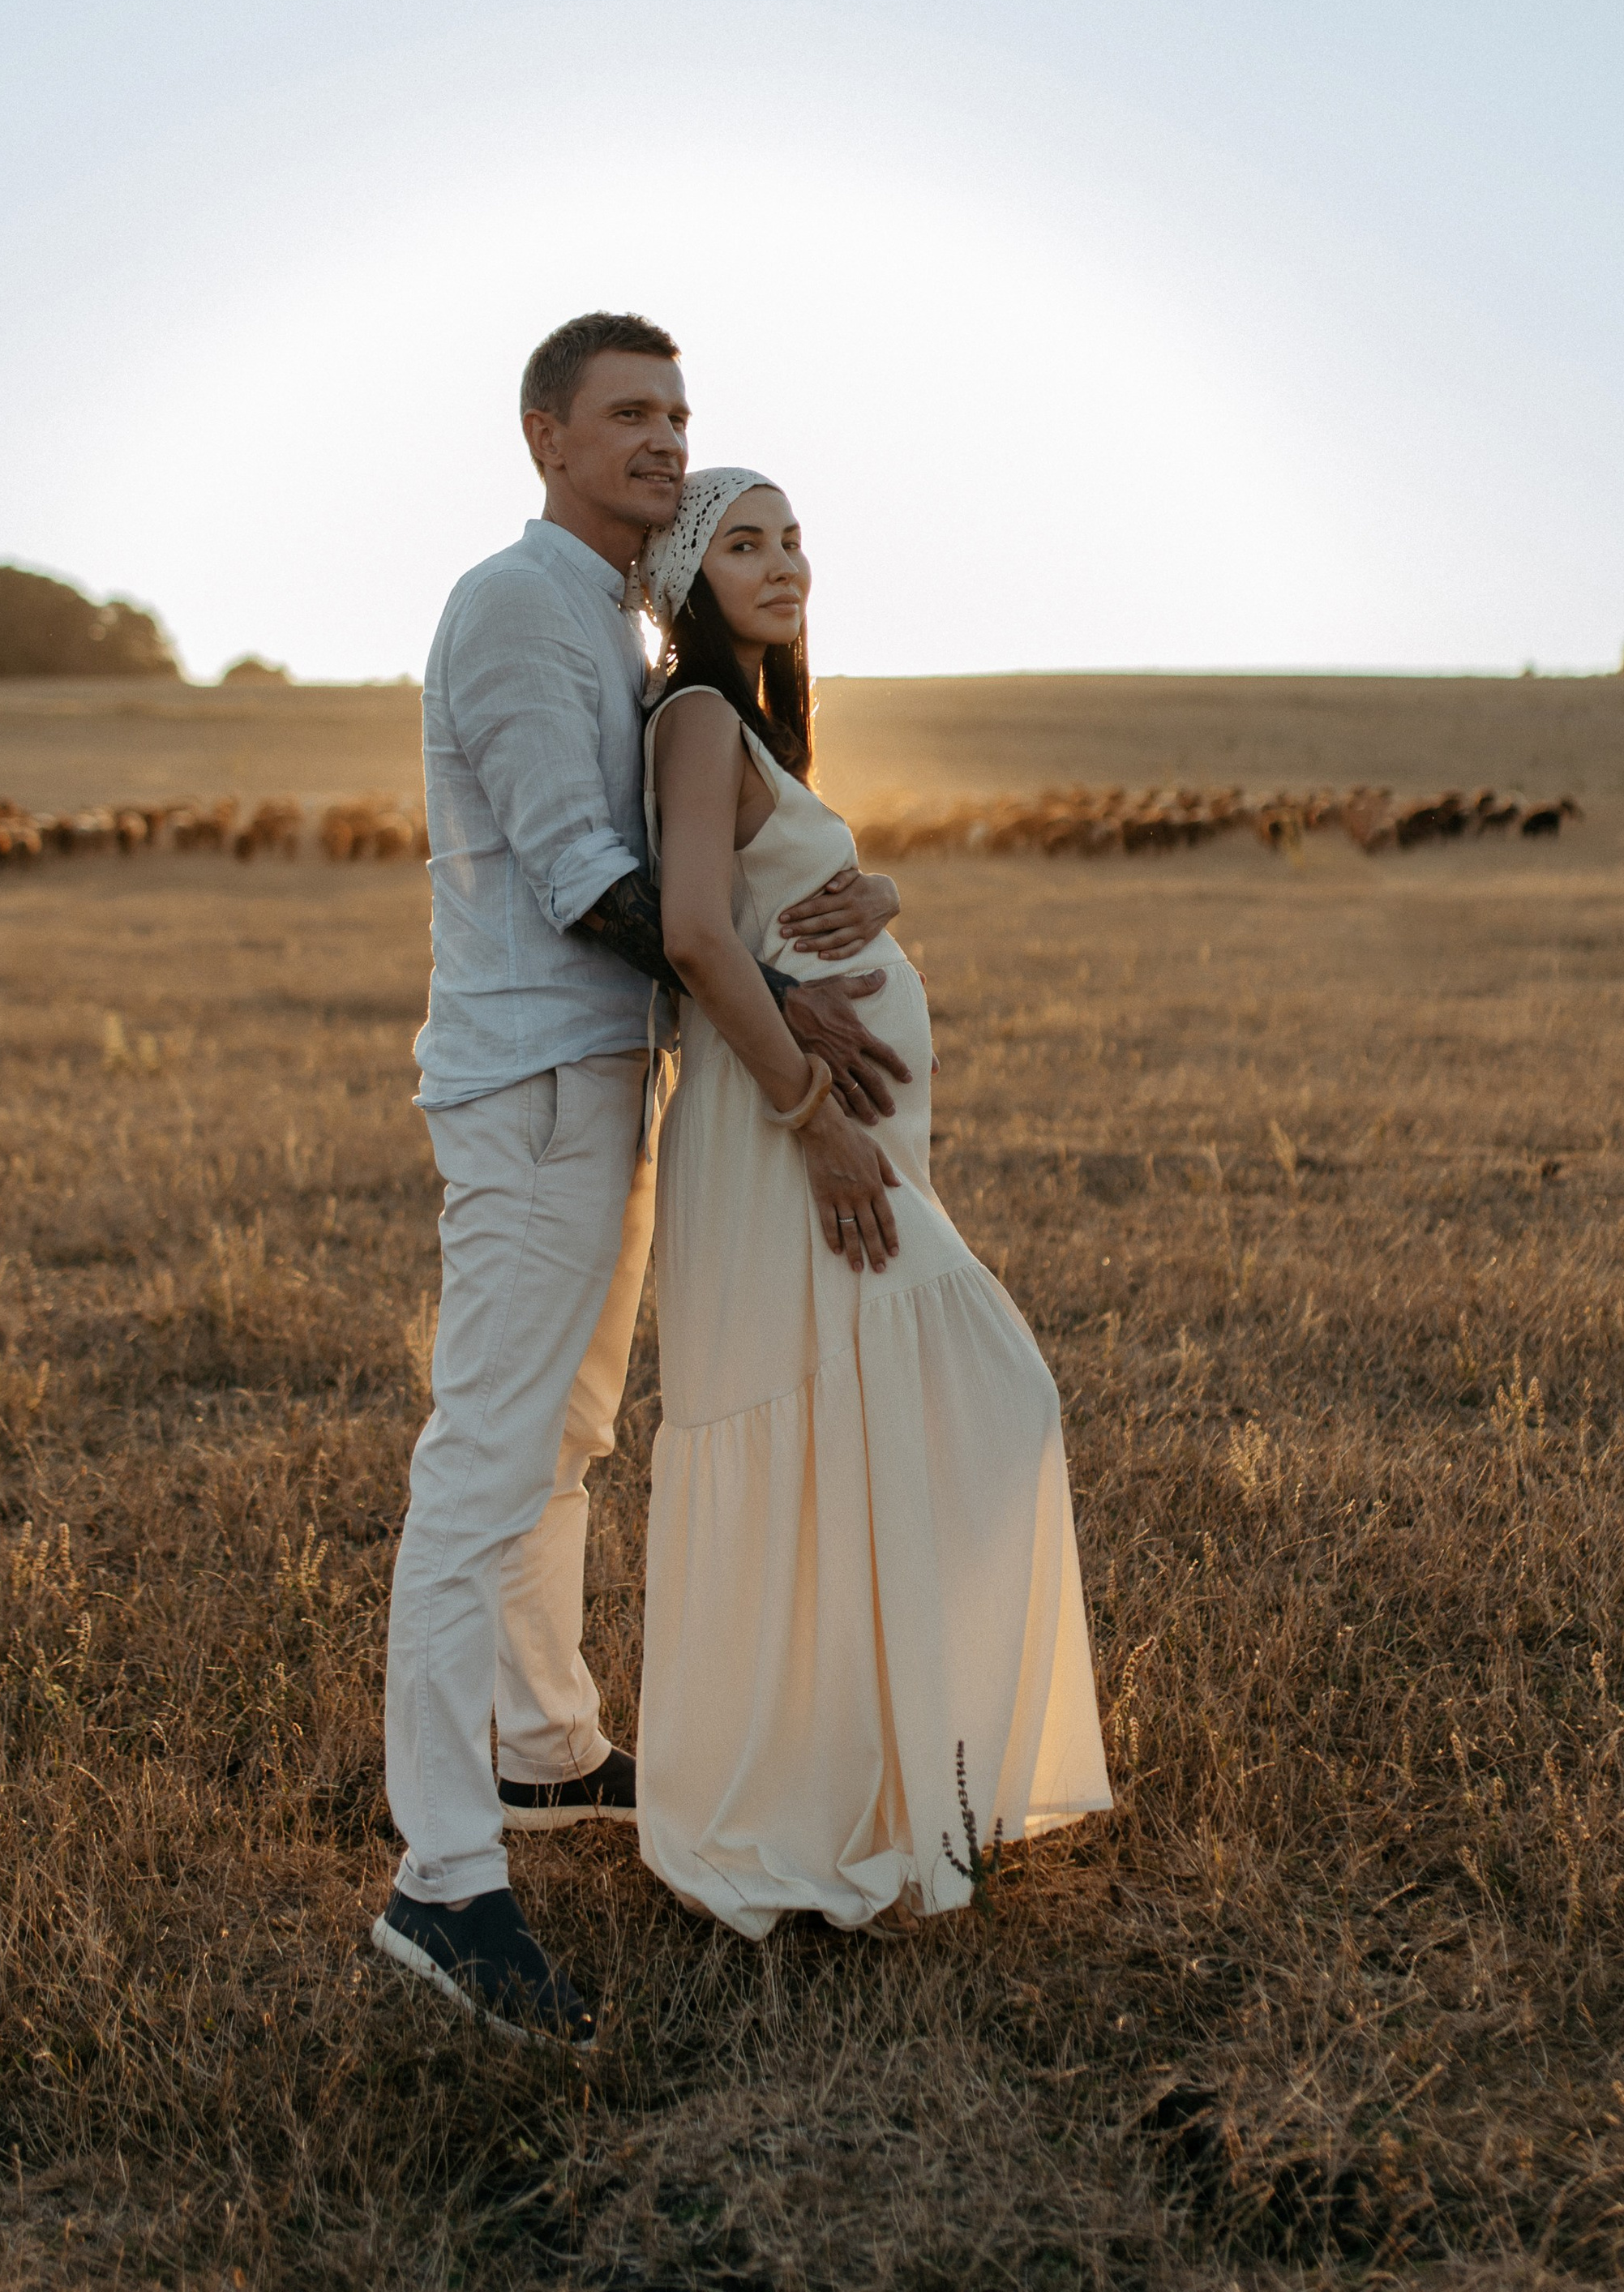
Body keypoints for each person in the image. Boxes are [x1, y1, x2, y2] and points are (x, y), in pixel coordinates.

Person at [373, 315, 913, 2047]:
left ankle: (546, 1755)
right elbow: (581, 878)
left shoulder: (617, 623)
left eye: (677, 412)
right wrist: (780, 1012)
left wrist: (840, 906)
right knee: (484, 1459)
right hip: (535, 1081)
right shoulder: (516, 606)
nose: (665, 439)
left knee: (566, 1442)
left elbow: (712, 855)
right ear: (545, 435)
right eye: (627, 414)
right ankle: (442, 1880)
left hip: (603, 1081)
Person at [635, 470, 1111, 1934]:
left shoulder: (754, 726)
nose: (783, 564)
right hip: (787, 1138)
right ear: (687, 581)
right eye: (744, 544)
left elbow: (772, 898)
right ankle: (808, 1801)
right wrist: (815, 1124)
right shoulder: (696, 713)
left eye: (792, 540)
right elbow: (697, 934)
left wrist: (876, 886)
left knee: (873, 1430)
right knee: (993, 1395)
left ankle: (883, 1784)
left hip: (827, 1132)